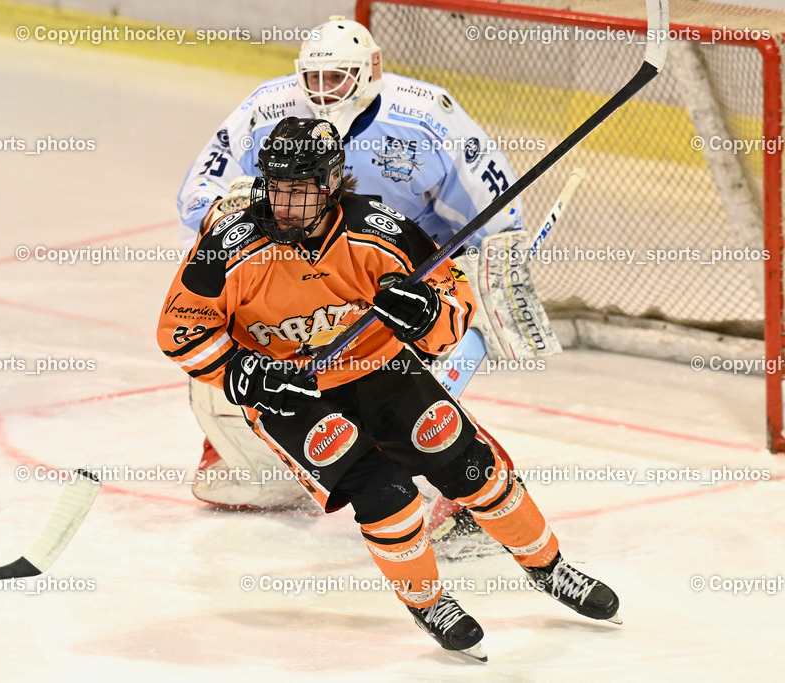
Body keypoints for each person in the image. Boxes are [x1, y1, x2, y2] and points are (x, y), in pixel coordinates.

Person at [159, 117, 619, 659]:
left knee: (473, 469)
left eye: (299, 189)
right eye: (276, 186)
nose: (283, 204)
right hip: (292, 395)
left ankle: (550, 568)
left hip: (381, 368)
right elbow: (180, 331)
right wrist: (242, 371)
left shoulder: (381, 230)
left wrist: (426, 314)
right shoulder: (227, 247)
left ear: (332, 183)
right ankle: (429, 603)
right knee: (386, 496)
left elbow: (454, 303)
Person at [176, 16, 541, 557]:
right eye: (314, 78)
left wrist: (469, 278)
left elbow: (496, 210)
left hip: (399, 278)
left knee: (407, 388)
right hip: (300, 275)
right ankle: (252, 457)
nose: (324, 92)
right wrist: (225, 207)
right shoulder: (268, 108)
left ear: (369, 71)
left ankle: (471, 488)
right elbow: (198, 188)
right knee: (241, 355)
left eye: (337, 77)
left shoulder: (426, 116)